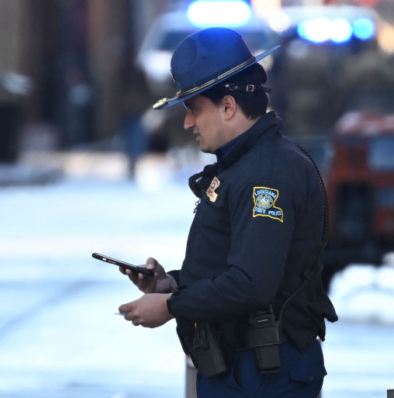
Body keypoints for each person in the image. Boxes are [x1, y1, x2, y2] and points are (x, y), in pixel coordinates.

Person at [115, 27, 338, 397]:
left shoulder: (265, 173)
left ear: (229, 106)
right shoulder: (242, 166)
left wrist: (171, 306)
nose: (187, 123)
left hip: (265, 372)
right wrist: (172, 283)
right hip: (241, 367)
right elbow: (232, 265)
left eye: (194, 109)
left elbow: (252, 283)